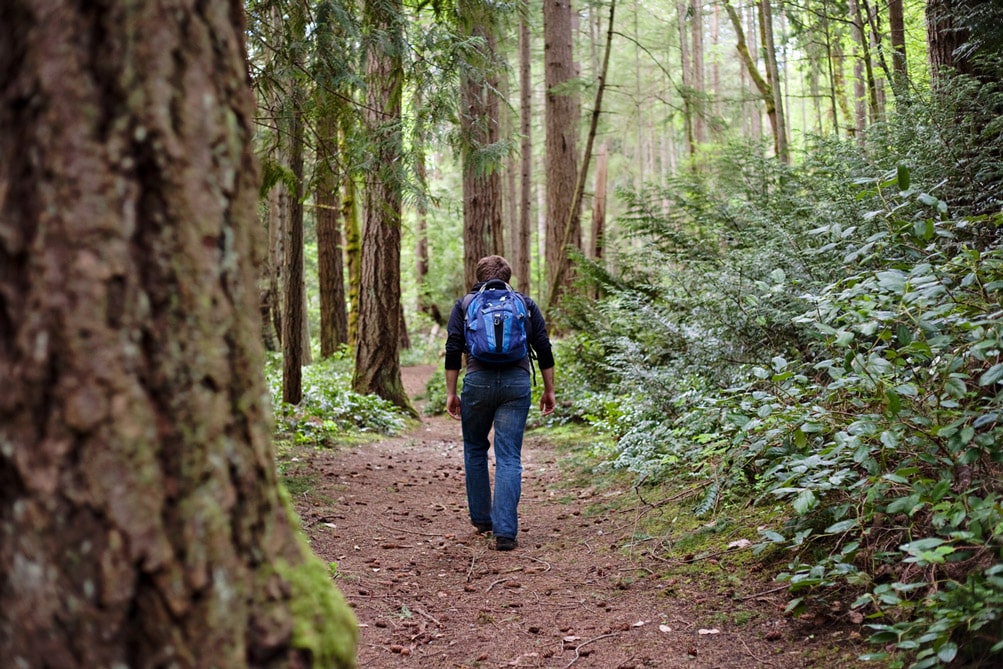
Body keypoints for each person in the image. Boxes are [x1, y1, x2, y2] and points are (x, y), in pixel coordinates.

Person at [444, 255, 556, 551]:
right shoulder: (525, 304)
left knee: (475, 448)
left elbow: (453, 349)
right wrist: (549, 390)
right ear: (508, 277)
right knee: (509, 456)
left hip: (477, 382)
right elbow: (543, 348)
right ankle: (505, 532)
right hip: (516, 383)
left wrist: (451, 392)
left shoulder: (465, 304)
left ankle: (482, 519)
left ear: (478, 276)